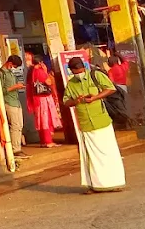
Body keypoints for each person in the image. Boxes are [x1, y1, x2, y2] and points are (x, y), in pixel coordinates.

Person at [62, 56, 126, 192]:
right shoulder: (71, 84)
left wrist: (96, 97)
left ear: (83, 67)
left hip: (102, 120)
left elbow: (111, 88)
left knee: (109, 153)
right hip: (85, 124)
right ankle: (94, 185)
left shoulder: (95, 75)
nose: (78, 73)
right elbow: (66, 102)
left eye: (80, 70)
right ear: (71, 71)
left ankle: (114, 182)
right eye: (75, 72)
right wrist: (76, 101)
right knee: (90, 157)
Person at [24, 51, 61, 147]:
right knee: (46, 120)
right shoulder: (39, 72)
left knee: (40, 119)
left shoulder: (31, 72)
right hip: (43, 98)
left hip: (36, 98)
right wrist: (45, 72)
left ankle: (43, 141)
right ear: (40, 63)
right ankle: (48, 141)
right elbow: (48, 82)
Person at [0, 55, 27, 157]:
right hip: (8, 102)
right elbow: (0, 90)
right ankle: (15, 150)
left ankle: (18, 147)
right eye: (14, 66)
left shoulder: (10, 73)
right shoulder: (1, 73)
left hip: (16, 102)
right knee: (14, 126)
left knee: (19, 126)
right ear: (10, 63)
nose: (14, 68)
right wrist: (14, 87)